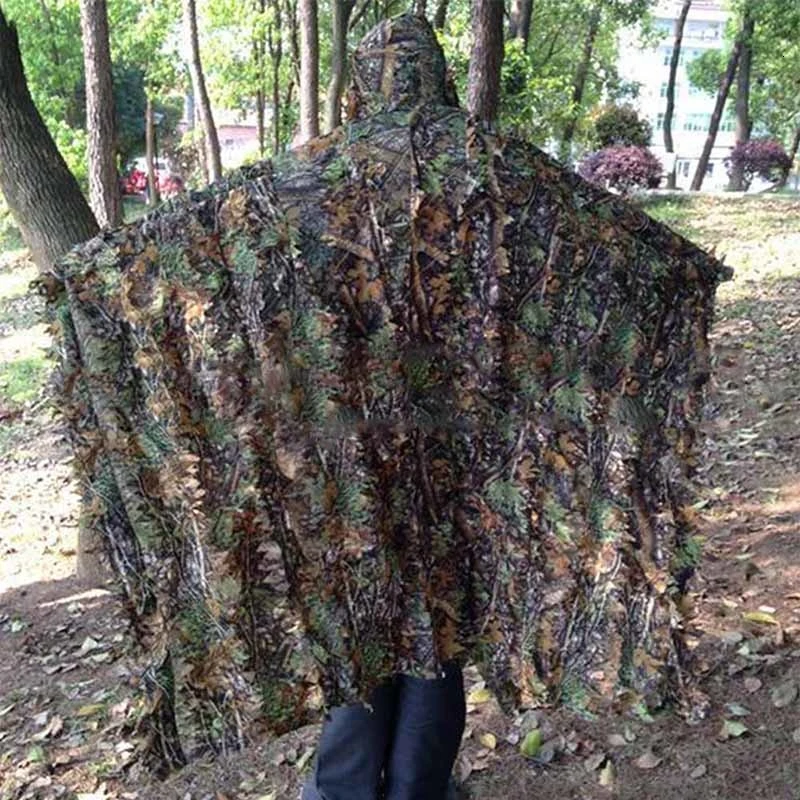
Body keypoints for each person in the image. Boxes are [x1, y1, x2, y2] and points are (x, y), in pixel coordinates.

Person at [54, 11, 726, 796]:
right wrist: (682, 270)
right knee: (440, 625)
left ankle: (345, 791)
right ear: (438, 76)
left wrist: (91, 277)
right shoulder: (498, 167)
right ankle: (418, 788)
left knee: (366, 615)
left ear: (360, 86)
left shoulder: (308, 178)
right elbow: (599, 236)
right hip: (461, 457)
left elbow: (196, 238)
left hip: (354, 457)